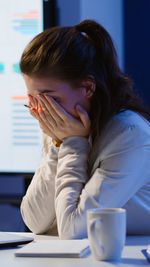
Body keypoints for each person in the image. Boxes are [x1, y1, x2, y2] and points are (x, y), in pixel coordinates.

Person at [20, 19, 150, 239]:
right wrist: (59, 144)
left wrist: (72, 144)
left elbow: (73, 230)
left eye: (50, 99)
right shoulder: (63, 127)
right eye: (33, 100)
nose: (42, 111)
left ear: (88, 87)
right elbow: (34, 221)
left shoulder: (130, 135)